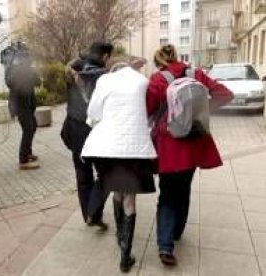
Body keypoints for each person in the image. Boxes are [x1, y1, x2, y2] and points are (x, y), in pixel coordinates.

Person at [146, 45, 233, 266]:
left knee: (167, 195)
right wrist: (203, 111)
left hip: (170, 145)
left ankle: (166, 246)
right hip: (195, 143)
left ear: (159, 61)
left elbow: (147, 108)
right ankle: (176, 232)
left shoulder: (158, 79)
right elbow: (225, 94)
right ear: (176, 58)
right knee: (184, 190)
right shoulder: (197, 74)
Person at [81, 61, 156, 272]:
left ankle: (119, 237)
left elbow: (93, 112)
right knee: (130, 200)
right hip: (135, 147)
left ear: (113, 70)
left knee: (116, 191)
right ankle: (125, 255)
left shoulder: (104, 80)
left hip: (109, 148)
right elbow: (149, 112)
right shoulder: (143, 81)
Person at [61, 42, 114, 229]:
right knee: (107, 174)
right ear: (106, 56)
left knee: (83, 175)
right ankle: (94, 211)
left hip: (76, 131)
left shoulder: (73, 68)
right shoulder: (105, 76)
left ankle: (89, 216)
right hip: (97, 132)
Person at [6, 56, 41, 170]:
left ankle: (28, 152)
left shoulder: (29, 71)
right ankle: (23, 160)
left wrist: (32, 72)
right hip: (20, 106)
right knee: (28, 130)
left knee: (33, 127)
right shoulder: (14, 72)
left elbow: (38, 82)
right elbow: (12, 84)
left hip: (28, 105)